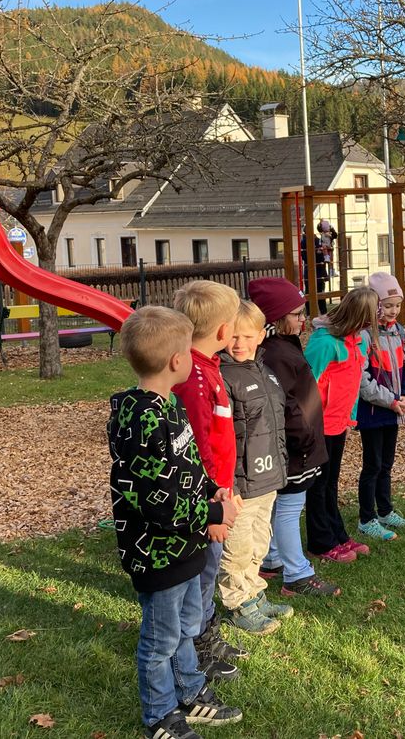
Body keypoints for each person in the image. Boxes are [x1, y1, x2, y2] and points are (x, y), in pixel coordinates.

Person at [109, 306, 242, 739]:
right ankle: (160, 715)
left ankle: (190, 691)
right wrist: (214, 515)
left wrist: (210, 492)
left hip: (186, 546)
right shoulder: (141, 421)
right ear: (176, 361)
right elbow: (157, 504)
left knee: (186, 627)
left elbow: (187, 468)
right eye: (187, 348)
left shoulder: (170, 406)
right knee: (160, 640)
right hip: (158, 552)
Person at [248, 278, 341, 593]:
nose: (304, 319)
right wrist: (306, 438)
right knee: (290, 507)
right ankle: (297, 574)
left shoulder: (283, 345)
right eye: (297, 314)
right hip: (294, 446)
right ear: (275, 317)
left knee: (280, 505)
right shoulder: (274, 353)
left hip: (297, 442)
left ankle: (272, 558)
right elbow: (286, 405)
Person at [171, 280, 244, 682]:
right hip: (204, 501)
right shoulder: (195, 380)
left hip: (218, 493)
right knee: (202, 574)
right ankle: (195, 647)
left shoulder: (207, 369)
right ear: (222, 332)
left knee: (208, 572)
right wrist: (213, 511)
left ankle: (204, 633)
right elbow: (196, 450)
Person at [217, 301, 294, 633]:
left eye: (247, 336)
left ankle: (254, 592)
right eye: (233, 336)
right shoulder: (223, 376)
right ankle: (237, 603)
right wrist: (228, 484)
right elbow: (224, 438)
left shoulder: (265, 371)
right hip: (241, 483)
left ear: (261, 336)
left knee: (259, 542)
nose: (239, 344)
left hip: (267, 478)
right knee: (237, 546)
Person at [304, 287, 379, 559]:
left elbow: (354, 382)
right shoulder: (324, 343)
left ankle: (337, 534)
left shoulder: (359, 341)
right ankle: (320, 542)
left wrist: (351, 416)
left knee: (331, 481)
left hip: (339, 423)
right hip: (318, 425)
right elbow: (306, 384)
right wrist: (306, 425)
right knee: (318, 485)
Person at [356, 273, 405, 541]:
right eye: (388, 304)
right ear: (375, 304)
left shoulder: (398, 331)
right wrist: (391, 401)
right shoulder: (363, 335)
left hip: (394, 409)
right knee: (373, 464)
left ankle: (385, 510)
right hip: (374, 412)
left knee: (387, 464)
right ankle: (366, 518)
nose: (394, 310)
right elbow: (363, 381)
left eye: (397, 305)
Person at [300, 225, 328, 315]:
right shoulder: (304, 242)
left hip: (318, 271)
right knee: (309, 292)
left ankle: (323, 313)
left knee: (320, 293)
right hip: (311, 271)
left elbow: (323, 254)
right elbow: (306, 257)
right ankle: (310, 313)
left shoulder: (317, 240)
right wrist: (319, 254)